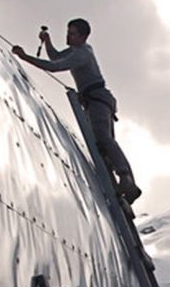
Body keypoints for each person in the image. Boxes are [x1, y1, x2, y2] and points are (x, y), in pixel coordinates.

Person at [12, 19, 141, 203]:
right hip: (95, 100)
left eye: (72, 33)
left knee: (104, 138)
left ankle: (126, 179)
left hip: (97, 99)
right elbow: (56, 57)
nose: (68, 36)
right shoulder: (76, 51)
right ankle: (125, 183)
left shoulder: (82, 53)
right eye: (68, 32)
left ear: (83, 36)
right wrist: (48, 41)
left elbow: (55, 67)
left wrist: (25, 57)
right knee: (102, 144)